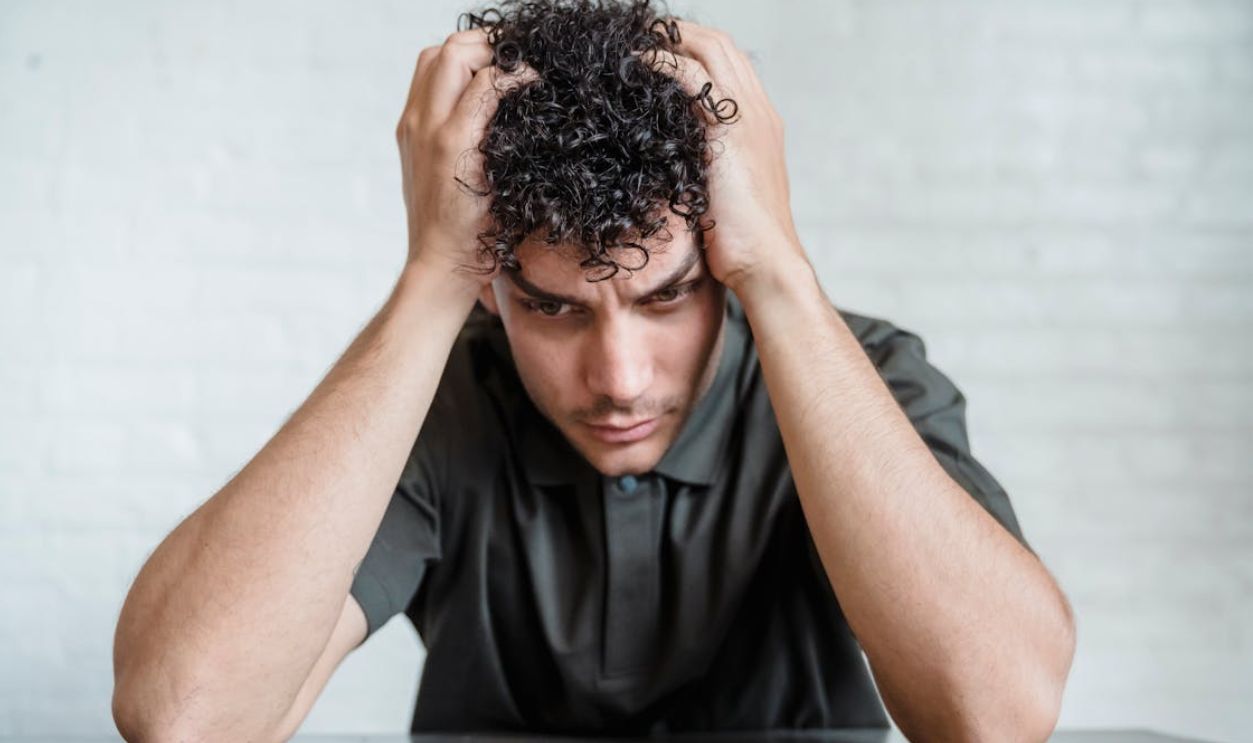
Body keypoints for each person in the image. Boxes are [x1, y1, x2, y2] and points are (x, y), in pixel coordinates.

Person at [111, 0, 1076, 740]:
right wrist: (429, 280)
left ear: (726, 260)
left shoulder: (866, 375)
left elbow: (996, 713)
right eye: (552, 306)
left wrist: (780, 274)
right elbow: (187, 716)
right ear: (495, 288)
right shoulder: (440, 400)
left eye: (666, 296)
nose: (617, 376)